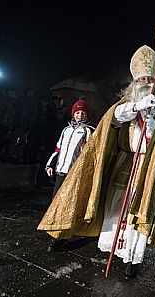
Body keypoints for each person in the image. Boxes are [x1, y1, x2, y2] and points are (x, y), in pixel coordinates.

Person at [37, 45, 155, 279]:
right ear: (135, 81)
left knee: (137, 211)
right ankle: (112, 246)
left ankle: (133, 258)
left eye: (149, 77)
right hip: (124, 161)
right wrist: (137, 107)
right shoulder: (128, 102)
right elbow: (113, 119)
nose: (146, 81)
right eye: (142, 78)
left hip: (147, 166)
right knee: (115, 206)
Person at [44, 98, 95, 251]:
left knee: (68, 206)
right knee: (56, 203)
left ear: (87, 115)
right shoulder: (66, 130)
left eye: (83, 113)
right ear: (73, 114)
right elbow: (58, 149)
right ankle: (55, 231)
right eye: (77, 112)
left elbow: (88, 154)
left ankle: (61, 237)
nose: (80, 115)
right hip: (61, 171)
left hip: (74, 174)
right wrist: (50, 164)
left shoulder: (88, 131)